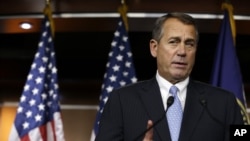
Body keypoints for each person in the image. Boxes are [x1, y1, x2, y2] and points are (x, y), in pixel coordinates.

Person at [95, 12, 244, 141]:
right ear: (154, 48)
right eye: (174, 42)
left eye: (189, 44)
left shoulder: (226, 103)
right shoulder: (121, 101)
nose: (182, 52)